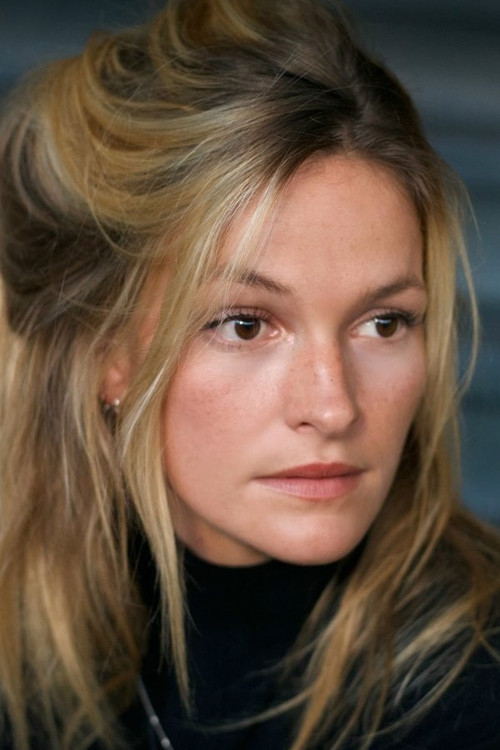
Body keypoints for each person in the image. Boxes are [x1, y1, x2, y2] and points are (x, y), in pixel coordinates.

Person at [1, 0, 499, 748]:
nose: (333, 407)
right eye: (245, 325)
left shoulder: (474, 691)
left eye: (384, 322)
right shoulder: (23, 649)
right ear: (107, 352)